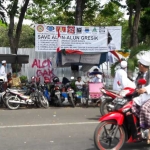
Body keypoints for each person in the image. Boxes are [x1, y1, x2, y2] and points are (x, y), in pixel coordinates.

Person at [130, 55, 150, 144]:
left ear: (142, 65)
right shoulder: (140, 74)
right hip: (143, 97)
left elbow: (146, 87)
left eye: (139, 64)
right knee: (131, 105)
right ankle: (141, 127)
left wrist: (145, 89)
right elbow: (135, 84)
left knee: (144, 108)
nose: (138, 65)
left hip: (148, 96)